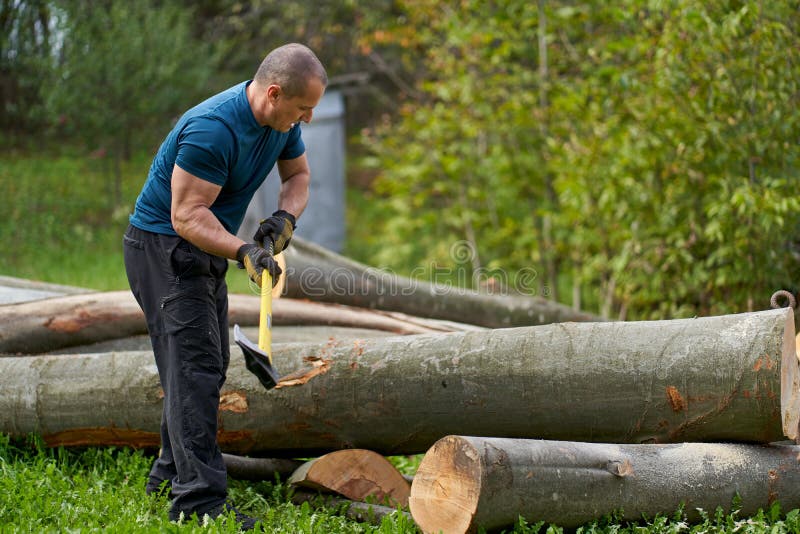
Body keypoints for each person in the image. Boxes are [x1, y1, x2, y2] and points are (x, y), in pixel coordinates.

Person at [123, 43, 327, 528]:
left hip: (203, 247)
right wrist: (243, 251)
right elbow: (185, 216)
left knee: (207, 367)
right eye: (303, 108)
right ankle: (198, 504)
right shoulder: (212, 129)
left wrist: (284, 218)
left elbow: (298, 176)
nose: (310, 118)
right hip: (165, 249)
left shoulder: (283, 124)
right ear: (274, 93)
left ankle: (168, 475)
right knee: (192, 370)